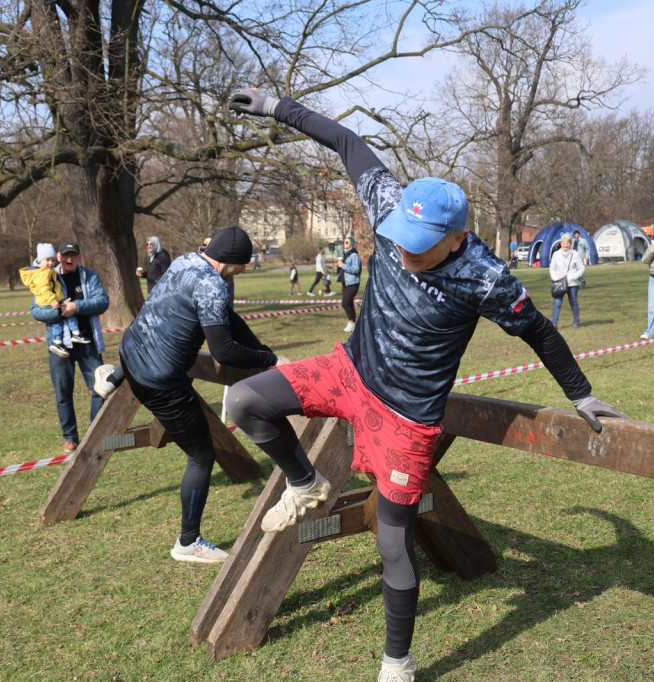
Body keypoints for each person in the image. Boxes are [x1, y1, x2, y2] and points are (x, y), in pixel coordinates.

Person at [226, 88, 621, 682]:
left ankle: (397, 662)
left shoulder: (486, 279)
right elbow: (346, 141)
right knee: (243, 400)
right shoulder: (390, 203)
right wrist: (275, 105)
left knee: (391, 546)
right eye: (399, 239)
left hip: (408, 418)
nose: (402, 252)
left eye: (420, 247)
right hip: (348, 370)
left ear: (456, 238)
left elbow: (539, 332)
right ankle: (307, 484)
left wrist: (580, 391)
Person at [97, 226, 280, 564]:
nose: (243, 270)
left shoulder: (185, 262)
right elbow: (224, 352)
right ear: (230, 260)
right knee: (201, 455)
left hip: (130, 354)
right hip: (161, 383)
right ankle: (188, 541)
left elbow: (227, 319)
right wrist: (268, 360)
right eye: (242, 264)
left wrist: (262, 349)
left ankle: (111, 378)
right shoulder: (213, 285)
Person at [30, 240, 109, 454]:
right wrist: (58, 312)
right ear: (58, 257)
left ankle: (96, 433)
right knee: (63, 393)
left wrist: (77, 307)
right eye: (65, 255)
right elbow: (36, 311)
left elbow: (103, 301)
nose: (69, 259)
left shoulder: (90, 277)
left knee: (101, 387)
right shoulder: (45, 276)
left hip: (88, 343)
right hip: (59, 348)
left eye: (73, 255)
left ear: (79, 256)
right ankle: (70, 438)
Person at [19, 242, 90, 358]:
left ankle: (75, 333)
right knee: (58, 320)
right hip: (48, 302)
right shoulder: (42, 274)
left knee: (69, 310)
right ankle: (58, 341)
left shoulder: (48, 271)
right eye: (47, 260)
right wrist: (53, 301)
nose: (50, 263)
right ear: (40, 260)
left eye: (52, 260)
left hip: (55, 299)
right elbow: (44, 290)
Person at [549, 235, 584, 329]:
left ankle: (576, 321)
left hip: (572, 284)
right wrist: (555, 278)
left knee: (573, 302)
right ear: (561, 243)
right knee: (557, 302)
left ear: (570, 244)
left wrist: (573, 277)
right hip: (559, 283)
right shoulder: (556, 254)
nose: (565, 245)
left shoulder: (575, 254)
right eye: (563, 243)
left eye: (567, 243)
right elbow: (552, 268)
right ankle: (554, 323)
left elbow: (581, 268)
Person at [337, 235, 361, 332]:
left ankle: (351, 322)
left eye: (346, 242)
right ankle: (353, 322)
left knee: (345, 302)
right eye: (343, 242)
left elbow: (356, 269)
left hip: (353, 282)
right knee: (349, 303)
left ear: (351, 244)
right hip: (345, 282)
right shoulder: (343, 254)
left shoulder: (354, 255)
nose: (344, 244)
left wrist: (343, 265)